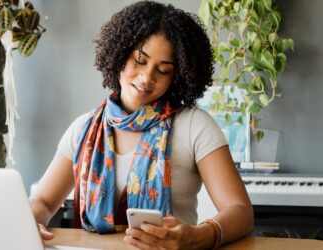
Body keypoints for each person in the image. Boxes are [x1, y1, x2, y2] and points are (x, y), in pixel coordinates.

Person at [29, 1, 253, 249]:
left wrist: (198, 236)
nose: (147, 77)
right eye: (140, 60)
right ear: (119, 53)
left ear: (178, 75)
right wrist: (30, 220)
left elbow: (240, 211)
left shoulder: (194, 126)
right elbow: (43, 202)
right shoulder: (83, 128)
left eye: (164, 70)